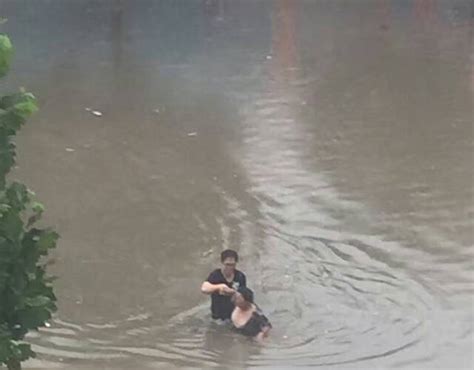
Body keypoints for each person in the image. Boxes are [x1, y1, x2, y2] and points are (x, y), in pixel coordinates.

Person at [201, 249, 247, 321]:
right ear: (222, 263)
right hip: (217, 316)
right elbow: (204, 288)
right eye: (227, 264)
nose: (230, 267)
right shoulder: (216, 275)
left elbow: (244, 298)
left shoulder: (240, 276)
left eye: (233, 265)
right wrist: (219, 287)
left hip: (234, 316)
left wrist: (233, 293)